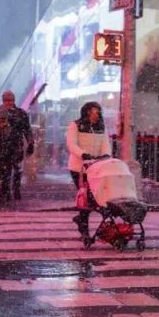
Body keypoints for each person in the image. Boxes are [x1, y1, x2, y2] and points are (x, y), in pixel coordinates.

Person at [66, 102, 111, 238]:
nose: (94, 115)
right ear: (86, 113)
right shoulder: (76, 125)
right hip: (78, 168)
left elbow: (105, 143)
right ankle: (84, 227)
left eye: (97, 113)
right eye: (92, 112)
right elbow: (71, 143)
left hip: (95, 167)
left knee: (95, 198)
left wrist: (106, 154)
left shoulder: (101, 127)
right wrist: (82, 154)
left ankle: (81, 220)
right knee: (86, 198)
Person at [0, 91, 35, 201]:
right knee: (6, 170)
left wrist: (30, 143)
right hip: (3, 146)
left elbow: (27, 130)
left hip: (16, 146)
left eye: (10, 100)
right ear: (3, 101)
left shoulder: (21, 113)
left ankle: (15, 189)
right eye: (6, 100)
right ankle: (7, 191)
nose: (9, 102)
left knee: (17, 169)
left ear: (14, 100)